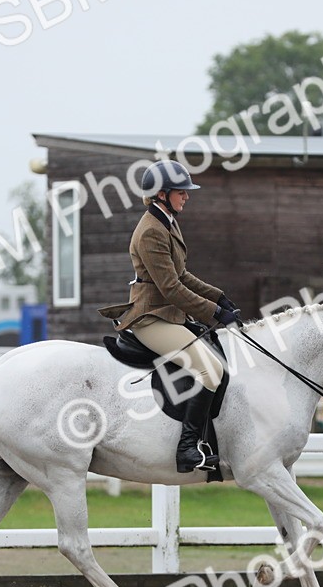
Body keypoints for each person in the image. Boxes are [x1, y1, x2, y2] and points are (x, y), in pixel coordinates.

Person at [98, 160, 240, 473]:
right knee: (211, 370)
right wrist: (215, 312)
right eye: (181, 191)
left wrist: (218, 296)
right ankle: (187, 448)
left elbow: (182, 274)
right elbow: (171, 288)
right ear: (161, 194)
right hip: (151, 318)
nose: (187, 196)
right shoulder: (151, 231)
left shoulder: (167, 222)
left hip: (169, 314)